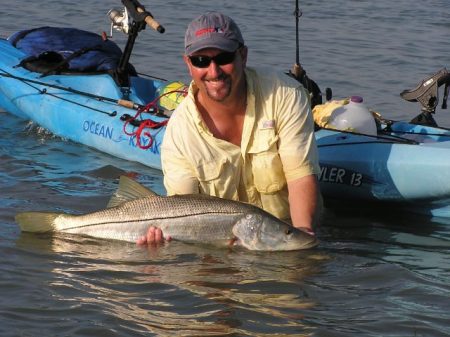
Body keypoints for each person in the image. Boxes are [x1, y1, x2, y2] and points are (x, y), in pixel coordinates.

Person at [137, 11, 321, 245]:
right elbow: (181, 211)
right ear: (188, 64)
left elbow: (300, 176)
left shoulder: (285, 94)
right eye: (201, 61)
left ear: (243, 56)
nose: (214, 72)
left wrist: (301, 238)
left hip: (285, 230)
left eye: (223, 58)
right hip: (223, 247)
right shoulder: (179, 132)